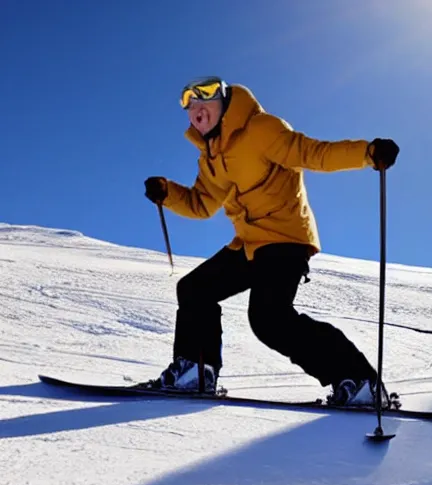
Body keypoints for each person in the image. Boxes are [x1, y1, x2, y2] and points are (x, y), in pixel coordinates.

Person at [142, 76, 399, 406]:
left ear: (224, 104)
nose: (197, 111)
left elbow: (312, 153)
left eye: (204, 103)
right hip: (249, 245)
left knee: (269, 318)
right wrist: (168, 193)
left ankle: (360, 381)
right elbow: (202, 204)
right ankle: (195, 372)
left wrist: (366, 153)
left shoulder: (261, 129)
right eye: (190, 107)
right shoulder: (211, 158)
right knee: (195, 289)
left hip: (285, 239)